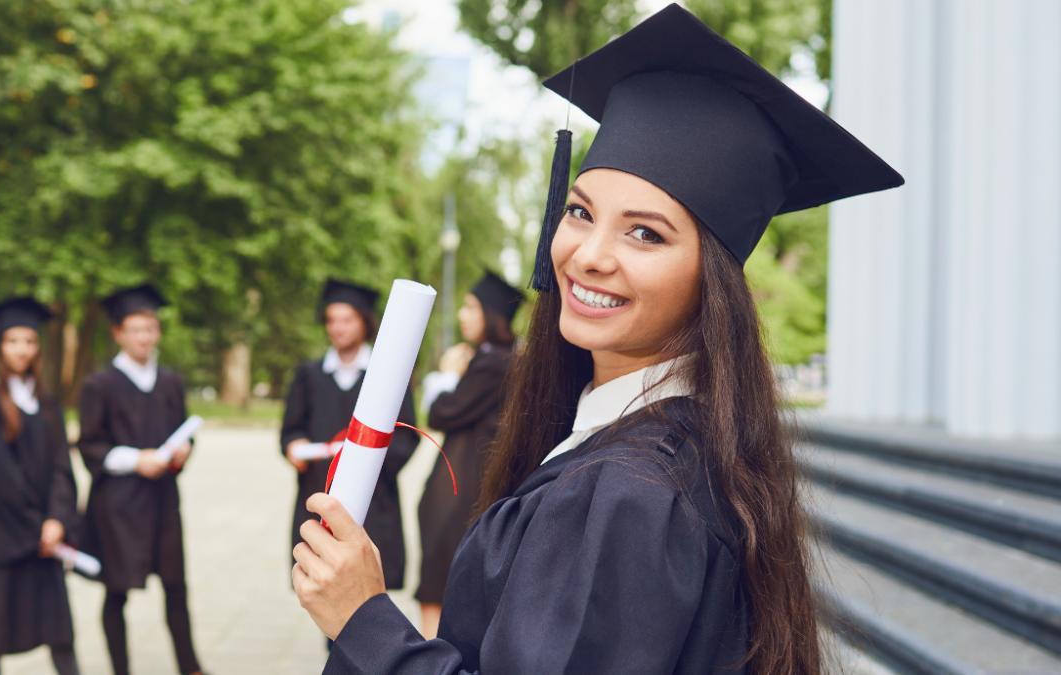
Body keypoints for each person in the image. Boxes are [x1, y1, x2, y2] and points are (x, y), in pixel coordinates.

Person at [290, 5, 904, 674]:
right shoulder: (683, 443)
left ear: (714, 280)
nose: (588, 255)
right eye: (580, 212)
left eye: (646, 233)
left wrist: (365, 620)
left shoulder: (628, 494)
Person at [76, 285, 205, 675]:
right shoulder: (99, 385)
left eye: (150, 328)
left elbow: (185, 431)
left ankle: (190, 666)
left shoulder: (170, 382)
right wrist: (137, 460)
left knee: (176, 586)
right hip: (118, 503)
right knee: (117, 590)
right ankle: (121, 669)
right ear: (118, 333)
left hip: (163, 498)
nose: (144, 337)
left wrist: (183, 452)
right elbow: (90, 446)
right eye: (136, 329)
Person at [0, 297, 81, 675]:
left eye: (29, 341)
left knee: (59, 630)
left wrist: (57, 519)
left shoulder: (46, 402)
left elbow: (62, 466)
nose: (22, 349)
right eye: (13, 341)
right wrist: (36, 525)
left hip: (41, 531)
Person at [281, 279, 419, 600]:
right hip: (319, 491)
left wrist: (367, 465)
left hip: (373, 498)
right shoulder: (309, 375)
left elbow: (407, 435)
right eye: (331, 320)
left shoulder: (387, 375)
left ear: (364, 322)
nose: (337, 328)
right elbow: (291, 429)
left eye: (346, 320)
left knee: (367, 592)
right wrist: (293, 447)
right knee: (323, 584)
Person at [415, 271, 520, 638]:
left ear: (492, 314)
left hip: (460, 489)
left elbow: (442, 412)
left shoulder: (495, 361)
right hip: (468, 485)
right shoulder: (506, 357)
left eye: (471, 306)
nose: (462, 314)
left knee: (437, 582)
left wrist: (448, 375)